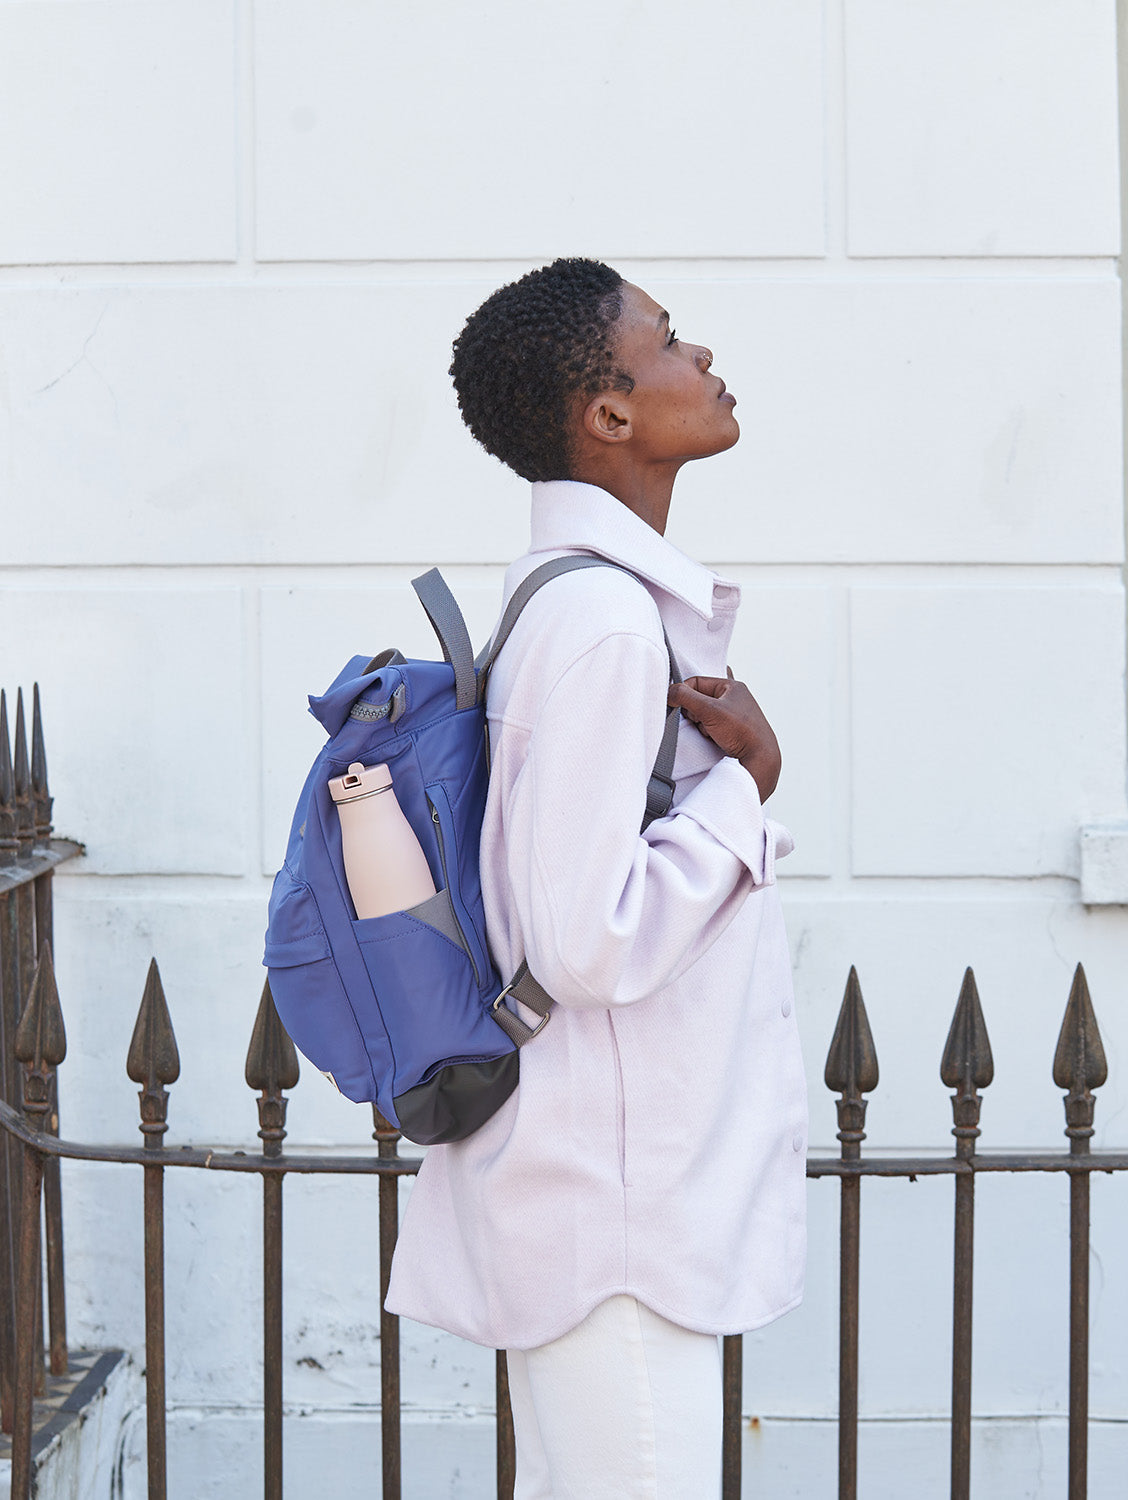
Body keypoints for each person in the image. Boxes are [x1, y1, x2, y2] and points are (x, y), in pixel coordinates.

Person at [385, 257, 807, 1499]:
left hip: (602, 1202)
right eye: (668, 339)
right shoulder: (607, 623)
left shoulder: (576, 605)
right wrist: (746, 792)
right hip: (612, 1227)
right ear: (608, 411)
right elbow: (585, 941)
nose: (702, 358)